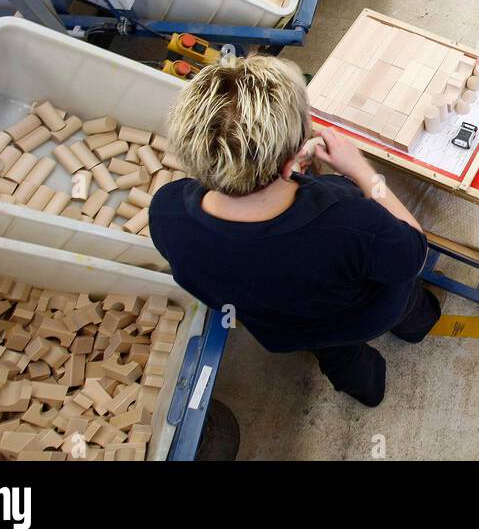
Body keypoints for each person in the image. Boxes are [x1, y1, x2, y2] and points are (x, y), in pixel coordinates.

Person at [149, 56, 441, 408]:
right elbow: (413, 252)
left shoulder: (167, 212)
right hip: (369, 313)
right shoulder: (348, 218)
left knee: (337, 355)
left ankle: (367, 391)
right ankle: (418, 326)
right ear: (292, 165)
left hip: (288, 330)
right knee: (408, 304)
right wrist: (362, 171)